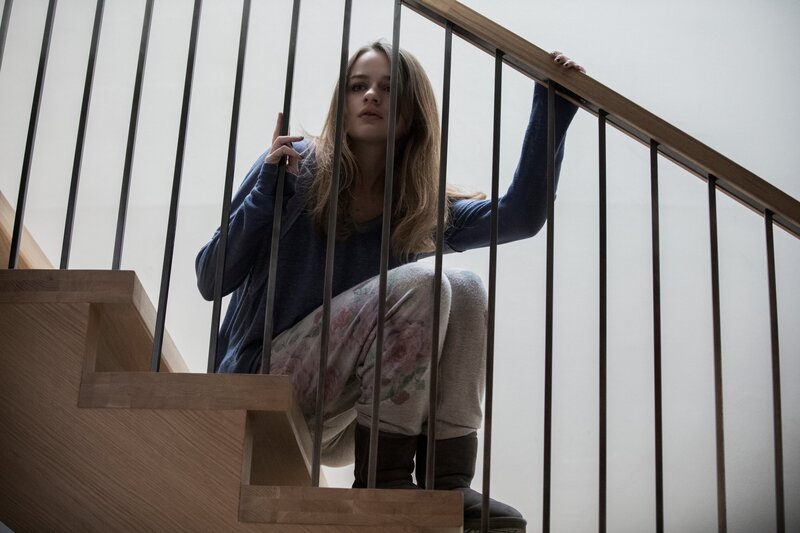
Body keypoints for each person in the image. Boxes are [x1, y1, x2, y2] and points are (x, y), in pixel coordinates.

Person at [196, 41, 583, 532]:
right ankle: (384, 481)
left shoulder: (417, 208)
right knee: (425, 282)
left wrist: (553, 105)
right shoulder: (294, 165)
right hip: (262, 381)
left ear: (412, 113)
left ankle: (447, 478)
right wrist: (267, 194)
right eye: (358, 86)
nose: (371, 96)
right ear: (342, 103)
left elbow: (520, 218)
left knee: (465, 286)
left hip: (348, 422)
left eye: (388, 88)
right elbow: (211, 279)